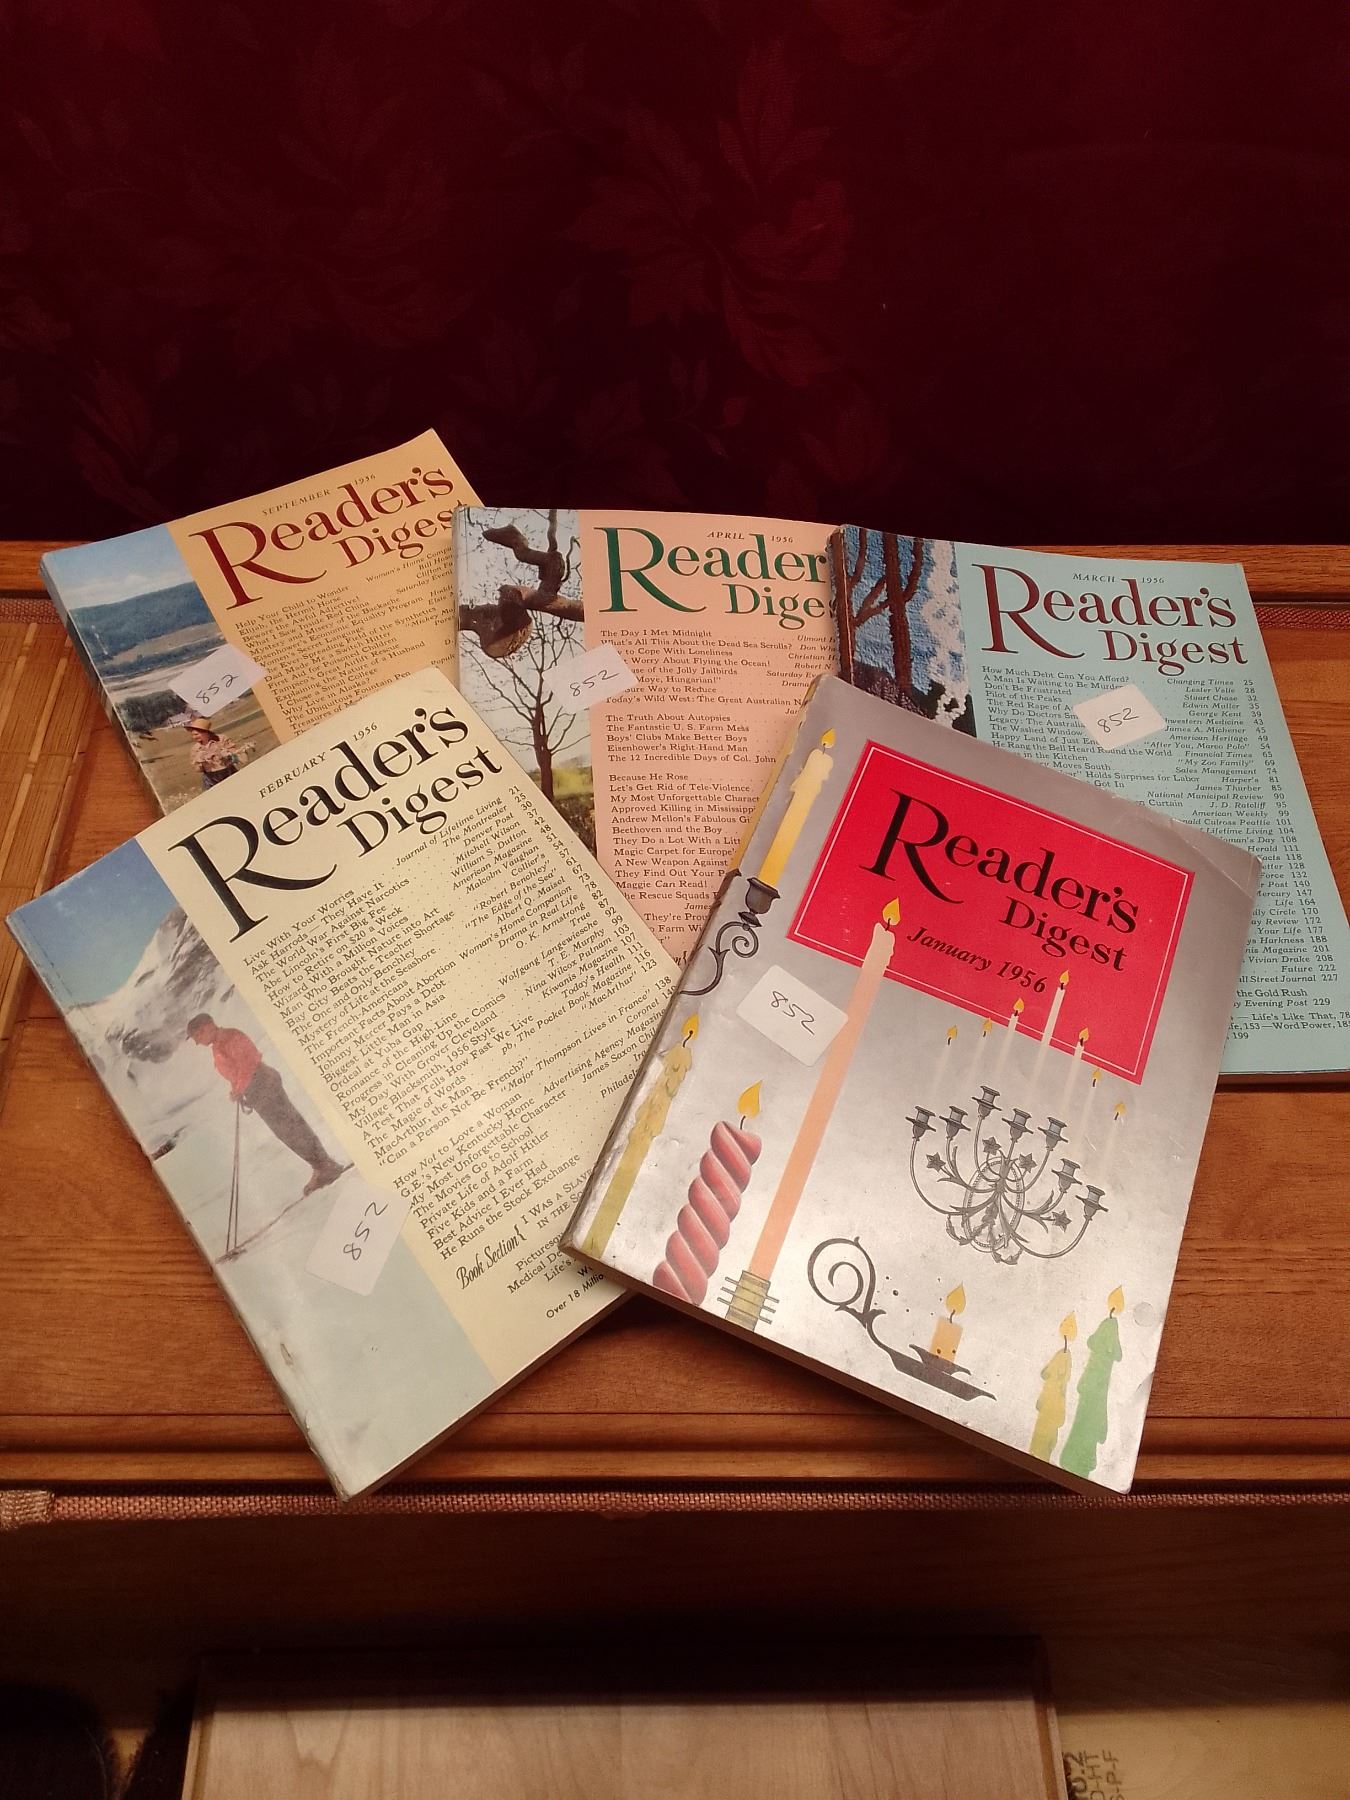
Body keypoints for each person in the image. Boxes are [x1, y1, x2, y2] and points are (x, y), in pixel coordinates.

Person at [186, 1013, 346, 1197]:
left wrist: (240, 1088)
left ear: (207, 1026)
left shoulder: (230, 1037)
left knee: (291, 1128)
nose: (197, 1042)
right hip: (257, 1090)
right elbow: (236, 1072)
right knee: (286, 1131)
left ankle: (325, 1166)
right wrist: (236, 1089)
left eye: (197, 1035)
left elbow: (248, 1063)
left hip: (263, 1083)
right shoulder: (218, 1046)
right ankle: (322, 1165)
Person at [183, 716, 248, 788]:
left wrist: (226, 754)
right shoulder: (195, 749)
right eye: (192, 735)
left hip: (229, 771)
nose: (194, 737)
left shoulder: (221, 739)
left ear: (205, 732)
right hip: (211, 778)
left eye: (196, 734)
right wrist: (200, 761)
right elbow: (198, 769)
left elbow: (235, 754)